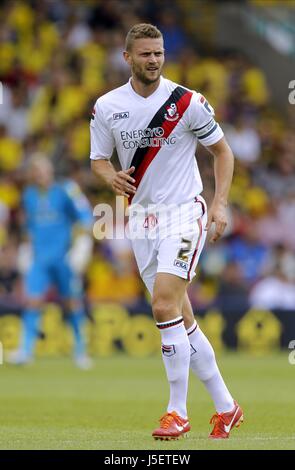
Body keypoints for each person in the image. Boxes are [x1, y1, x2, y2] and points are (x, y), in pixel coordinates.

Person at [90, 23, 243, 439]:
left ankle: (177, 411)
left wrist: (220, 203)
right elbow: (99, 159)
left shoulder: (187, 101)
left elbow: (222, 151)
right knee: (182, 318)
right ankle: (227, 407)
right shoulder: (107, 106)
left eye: (158, 53)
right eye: (145, 54)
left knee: (162, 306)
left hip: (183, 213)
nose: (154, 60)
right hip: (142, 221)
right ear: (127, 58)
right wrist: (111, 179)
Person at [9, 154, 93, 369]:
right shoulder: (28, 196)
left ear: (50, 170)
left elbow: (85, 217)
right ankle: (25, 351)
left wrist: (81, 247)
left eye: (41, 169)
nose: (38, 174)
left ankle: (80, 350)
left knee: (71, 302)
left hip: (63, 257)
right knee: (33, 301)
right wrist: (25, 250)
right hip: (39, 258)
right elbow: (28, 227)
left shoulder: (66, 190)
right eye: (34, 170)